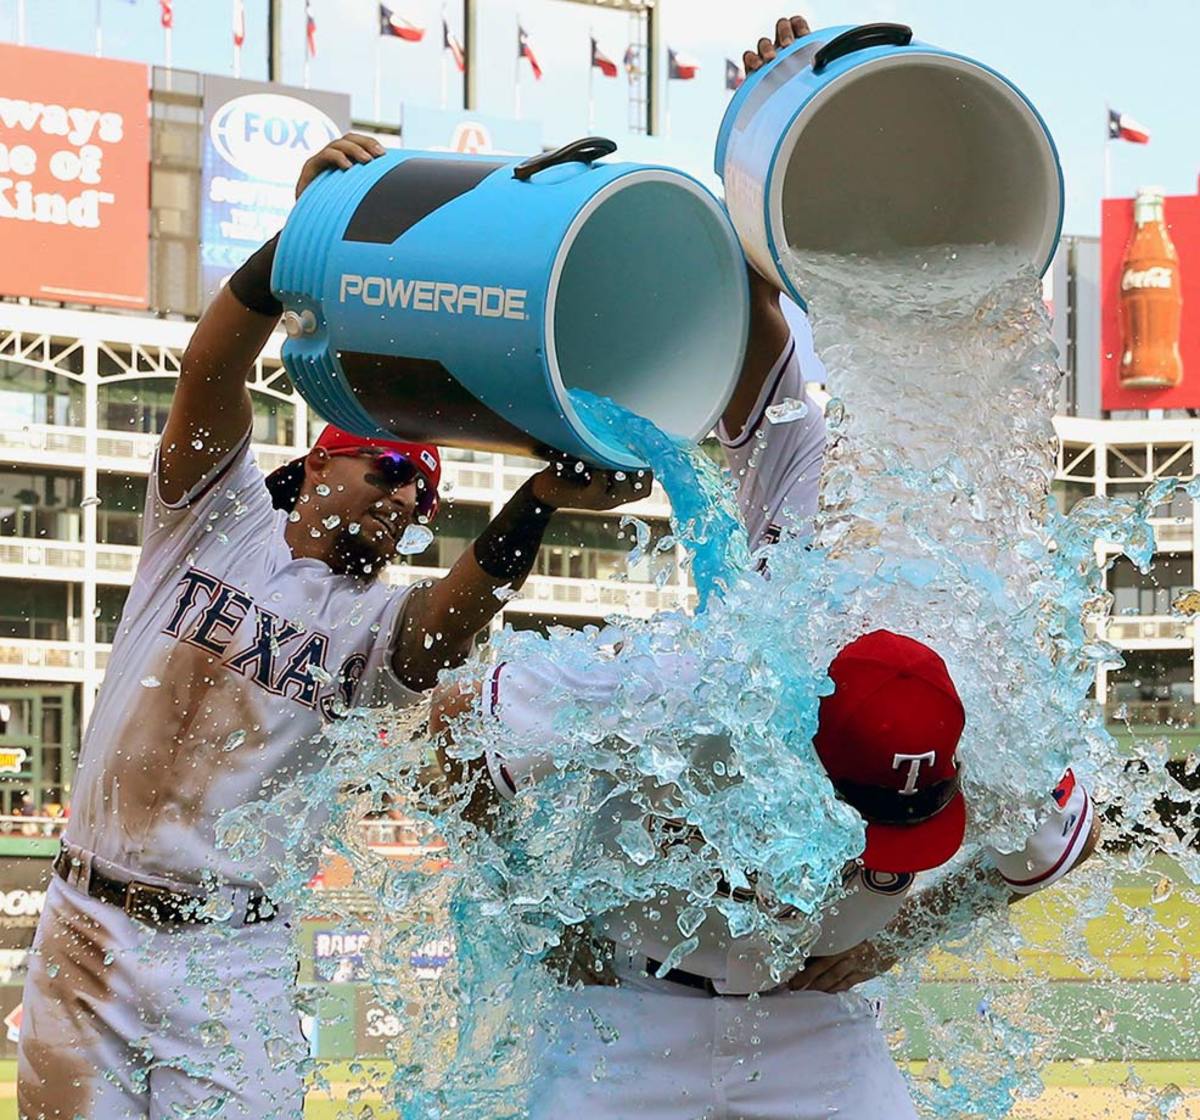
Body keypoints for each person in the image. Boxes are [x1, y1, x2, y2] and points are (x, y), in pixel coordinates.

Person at [426, 17, 1101, 1118]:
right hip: (635, 1012)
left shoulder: (986, 709)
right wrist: (541, 903)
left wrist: (894, 945)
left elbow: (1065, 843)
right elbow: (452, 726)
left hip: (814, 1021)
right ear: (787, 757)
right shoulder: (690, 686)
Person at [17, 133, 642, 1120]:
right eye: (390, 472)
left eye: (426, 498)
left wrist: (534, 500)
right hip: (88, 926)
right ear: (318, 465)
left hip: (234, 954)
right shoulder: (212, 521)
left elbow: (444, 629)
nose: (406, 503)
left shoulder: (372, 624)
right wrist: (303, 245)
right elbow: (210, 366)